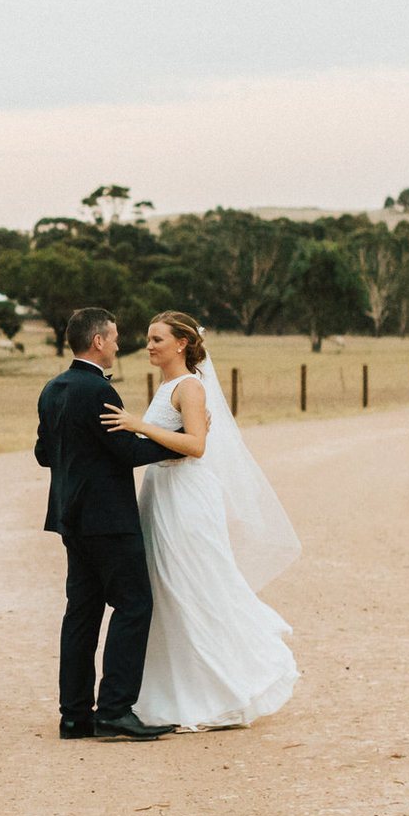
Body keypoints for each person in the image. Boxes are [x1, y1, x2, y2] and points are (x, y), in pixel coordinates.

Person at [98, 310, 301, 731]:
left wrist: (138, 425)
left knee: (191, 583)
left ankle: (224, 686)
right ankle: (168, 688)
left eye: (157, 339)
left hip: (186, 498)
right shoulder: (168, 386)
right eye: (149, 339)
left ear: (182, 344)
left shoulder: (190, 386)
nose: (149, 346)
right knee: (165, 589)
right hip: (161, 492)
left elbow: (196, 445)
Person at [34, 307, 181, 740]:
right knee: (134, 605)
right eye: (114, 338)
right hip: (109, 520)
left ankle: (75, 716)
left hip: (69, 519)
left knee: (81, 614)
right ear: (98, 341)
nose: (118, 345)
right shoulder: (98, 392)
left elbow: (44, 454)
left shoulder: (52, 389)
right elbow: (127, 453)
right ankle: (115, 708)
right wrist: (175, 447)